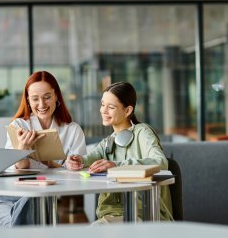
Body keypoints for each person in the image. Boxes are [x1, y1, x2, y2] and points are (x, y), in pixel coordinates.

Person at [0, 71, 87, 228]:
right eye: (35, 99)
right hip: (7, 197)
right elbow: (20, 168)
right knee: (19, 222)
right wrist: (22, 149)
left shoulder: (72, 130)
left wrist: (70, 164)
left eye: (47, 97)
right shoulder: (18, 126)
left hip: (41, 199)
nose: (41, 104)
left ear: (57, 96)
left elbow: (77, 176)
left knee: (23, 222)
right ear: (28, 100)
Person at [65, 81, 172, 224]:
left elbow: (161, 162)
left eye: (111, 107)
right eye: (103, 104)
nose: (103, 110)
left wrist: (117, 165)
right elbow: (89, 158)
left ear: (127, 111)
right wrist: (77, 161)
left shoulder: (143, 132)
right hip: (113, 213)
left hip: (144, 213)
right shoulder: (108, 142)